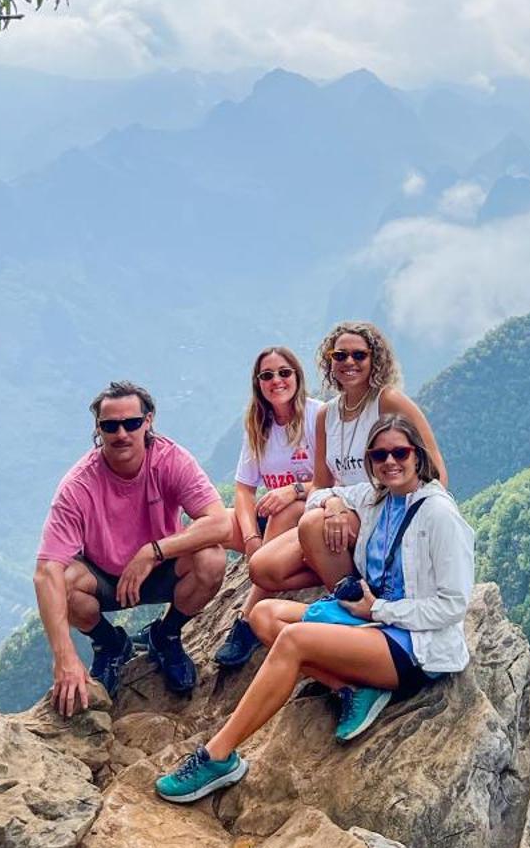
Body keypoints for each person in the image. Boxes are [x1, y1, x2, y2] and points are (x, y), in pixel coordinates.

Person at [155, 415, 473, 803]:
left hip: (412, 647)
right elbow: (322, 495)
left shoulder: (439, 514)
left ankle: (218, 756)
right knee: (263, 616)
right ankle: (353, 686)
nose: (390, 461)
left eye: (400, 452)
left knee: (293, 640)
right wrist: (337, 503)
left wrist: (381, 611)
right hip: (370, 624)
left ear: (418, 457)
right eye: (379, 455)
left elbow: (453, 605)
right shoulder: (377, 499)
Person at [34, 380, 234, 715]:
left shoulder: (170, 460)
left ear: (149, 421)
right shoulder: (79, 485)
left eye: (132, 423)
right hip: (104, 576)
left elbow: (220, 522)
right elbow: (45, 572)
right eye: (110, 426)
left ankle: (166, 636)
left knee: (211, 558)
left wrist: (152, 551)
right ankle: (110, 645)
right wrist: (65, 657)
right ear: (99, 429)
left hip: (162, 568)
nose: (122, 434)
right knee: (64, 582)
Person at [244, 321, 447, 605]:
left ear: (374, 359)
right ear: (329, 362)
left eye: (359, 355)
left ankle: (353, 602)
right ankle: (346, 571)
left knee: (313, 525)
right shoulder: (326, 415)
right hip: (341, 515)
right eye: (339, 356)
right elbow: (321, 485)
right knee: (263, 568)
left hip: (387, 512)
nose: (348, 362)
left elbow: (435, 471)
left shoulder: (388, 402)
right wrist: (332, 503)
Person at [210, 346, 325, 670]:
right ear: (258, 383)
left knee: (284, 510)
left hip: (314, 512)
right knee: (215, 524)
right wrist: (250, 540)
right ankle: (169, 632)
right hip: (277, 520)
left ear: (298, 377)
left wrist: (294, 490)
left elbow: (339, 480)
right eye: (267, 375)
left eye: (284, 372)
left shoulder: (319, 416)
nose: (277, 380)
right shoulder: (258, 425)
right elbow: (244, 490)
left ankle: (246, 621)